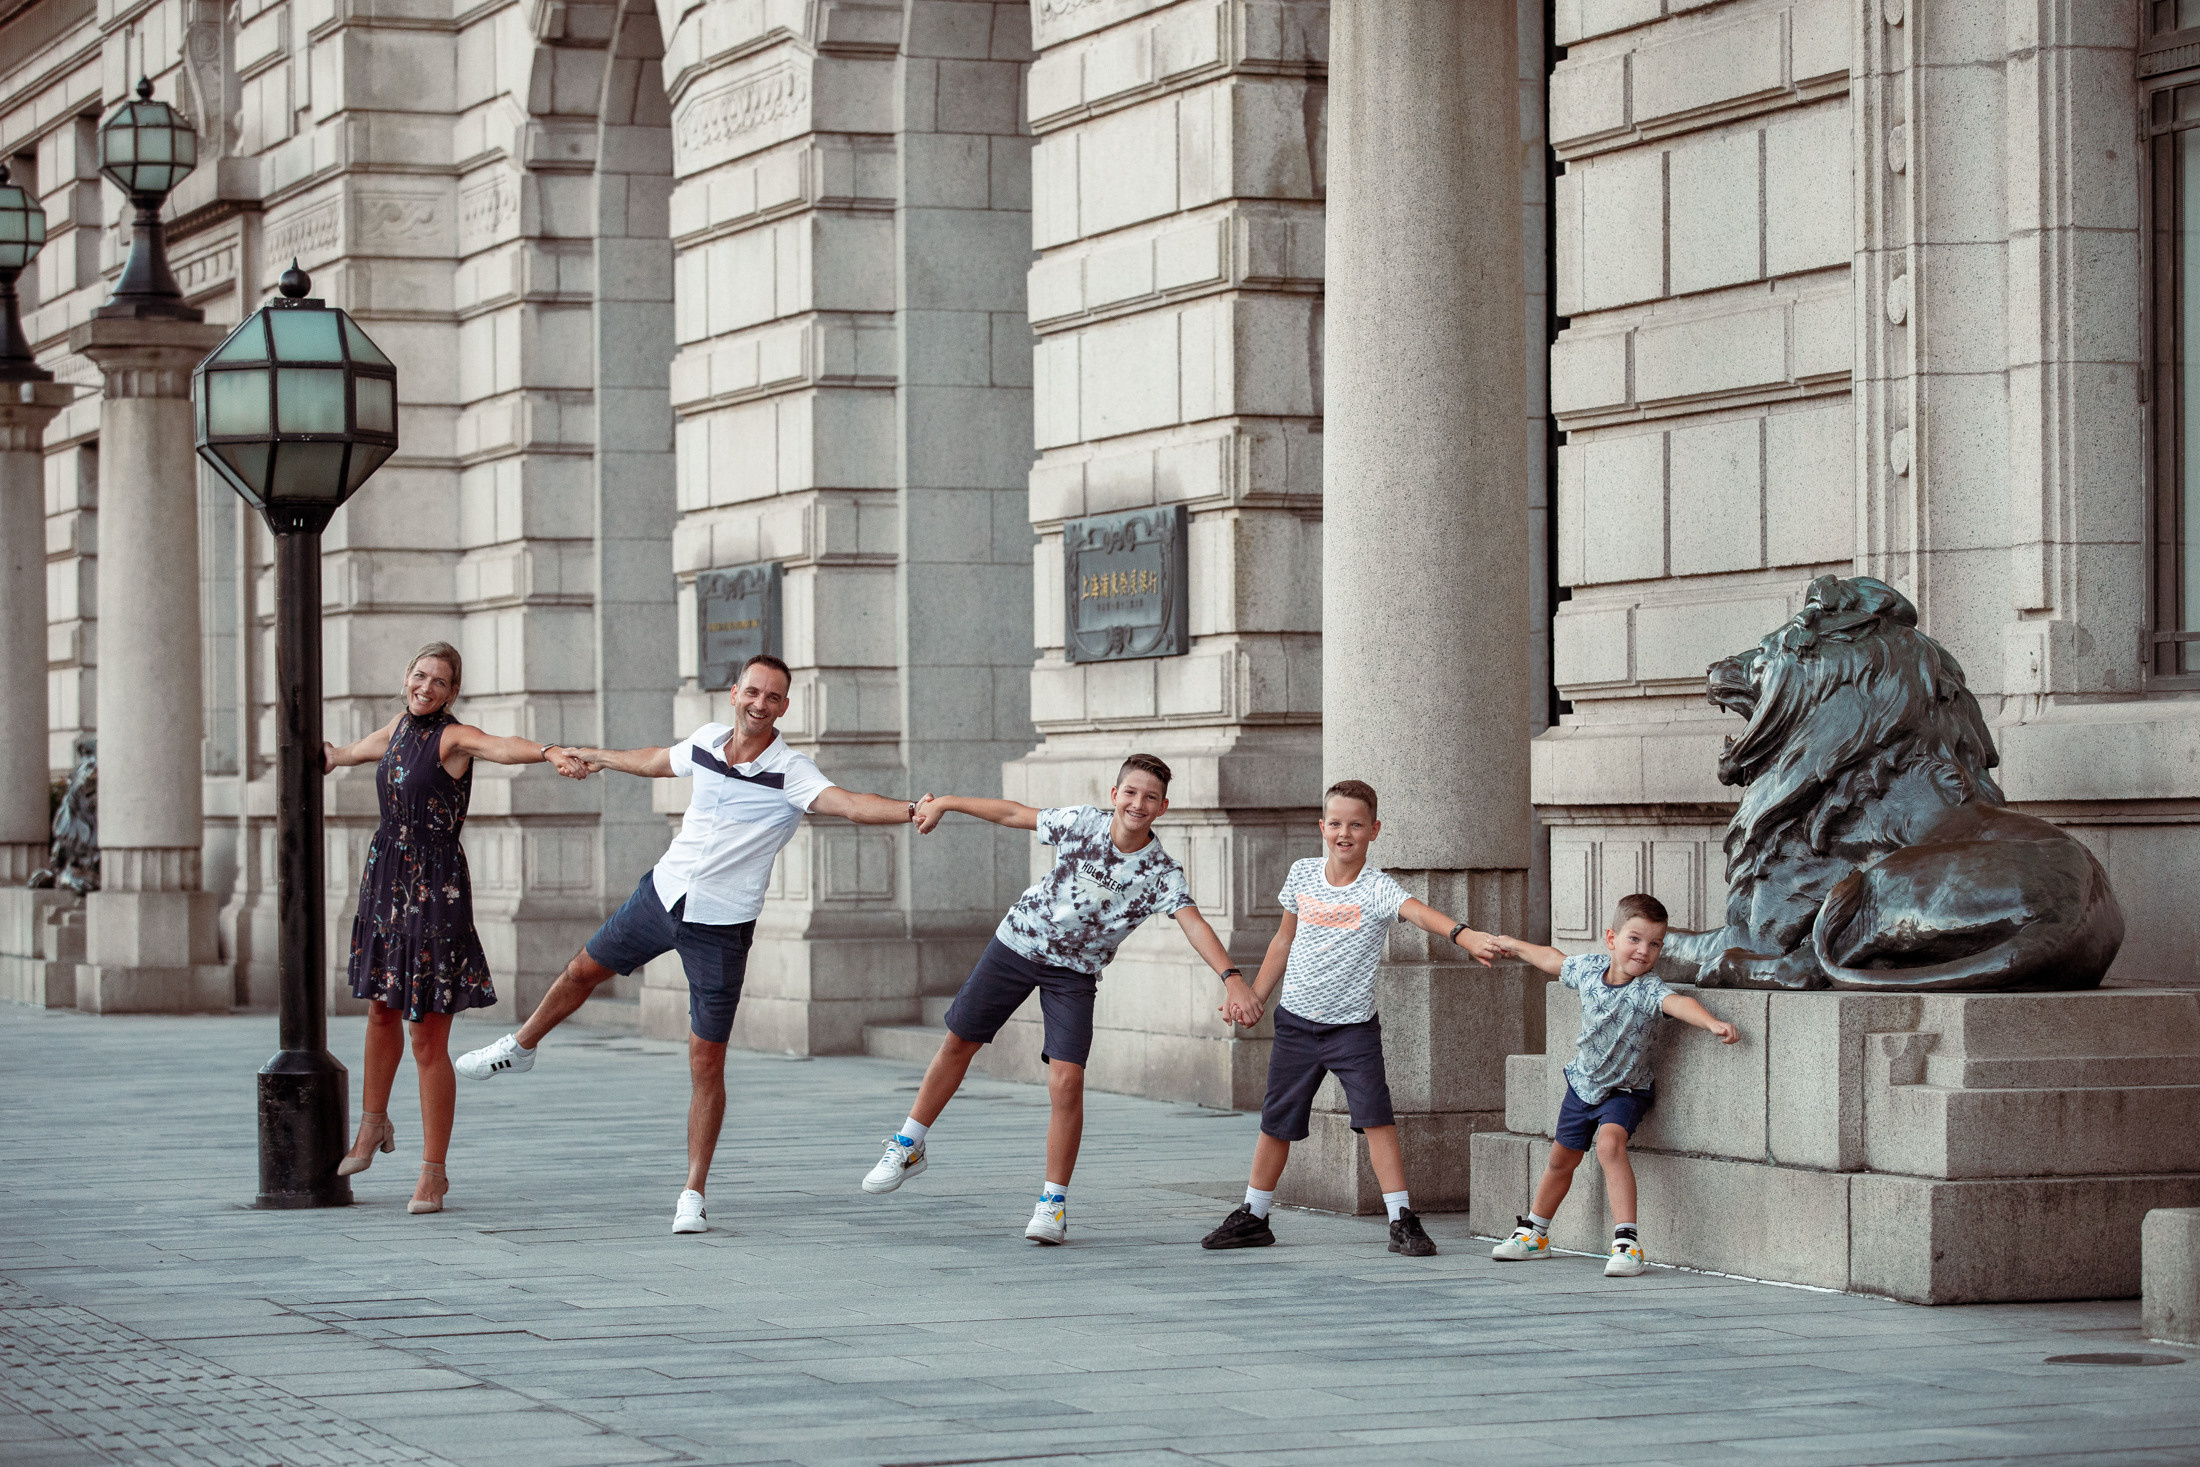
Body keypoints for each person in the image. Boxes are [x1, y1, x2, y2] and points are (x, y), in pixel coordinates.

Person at [455, 653, 918, 1234]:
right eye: (753, 691)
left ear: (784, 707)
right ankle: (520, 1048)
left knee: (705, 1061)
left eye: (773, 697)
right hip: (662, 895)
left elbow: (849, 804)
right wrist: (597, 757)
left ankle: (692, 1193)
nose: (760, 703)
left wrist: (910, 810)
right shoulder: (704, 741)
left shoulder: (791, 772)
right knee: (580, 970)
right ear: (734, 693)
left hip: (721, 928)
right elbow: (655, 761)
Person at [859, 755, 1261, 1245]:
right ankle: (908, 1144)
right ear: (1115, 795)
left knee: (1067, 1082)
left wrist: (1233, 978)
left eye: (1150, 797)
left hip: (1074, 974)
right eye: (1130, 792)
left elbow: (1193, 922)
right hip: (1017, 944)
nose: (1138, 803)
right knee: (960, 1041)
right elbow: (1013, 814)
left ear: (1162, 807)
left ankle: (1052, 1204)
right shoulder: (1081, 823)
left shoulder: (1160, 872)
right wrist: (946, 802)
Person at [329, 642, 589, 1214]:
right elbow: (363, 749)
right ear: (407, 678)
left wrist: (548, 752)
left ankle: (433, 1172)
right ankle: (372, 1125)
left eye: (439, 681)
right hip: (386, 880)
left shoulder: (452, 737)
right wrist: (331, 756)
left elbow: (500, 746)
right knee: (380, 1008)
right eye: (420, 676)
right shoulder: (400, 725)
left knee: (426, 1036)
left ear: (452, 692)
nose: (426, 687)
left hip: (434, 891)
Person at [1197, 780, 1504, 1258]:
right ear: (1322, 827)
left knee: (1376, 1118)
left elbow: (1419, 914)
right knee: (1276, 1121)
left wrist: (1463, 936)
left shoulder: (1377, 888)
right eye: (1335, 823)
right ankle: (1254, 1215)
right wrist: (1255, 995)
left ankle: (1402, 1219)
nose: (1345, 833)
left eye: (1356, 825)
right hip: (1296, 1025)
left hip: (1352, 1030)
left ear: (1374, 830)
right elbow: (1282, 941)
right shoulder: (1302, 875)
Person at [1484, 893, 1740, 1276]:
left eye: (1655, 944)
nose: (1644, 950)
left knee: (1609, 1144)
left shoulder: (1649, 989)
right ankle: (1535, 1232)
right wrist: (1515, 945)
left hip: (1625, 1090)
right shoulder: (1589, 969)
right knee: (1560, 1160)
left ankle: (1627, 1242)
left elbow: (1678, 1003)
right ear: (1611, 939)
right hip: (1583, 1085)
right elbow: (1553, 960)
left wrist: (1712, 1023)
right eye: (1635, 939)